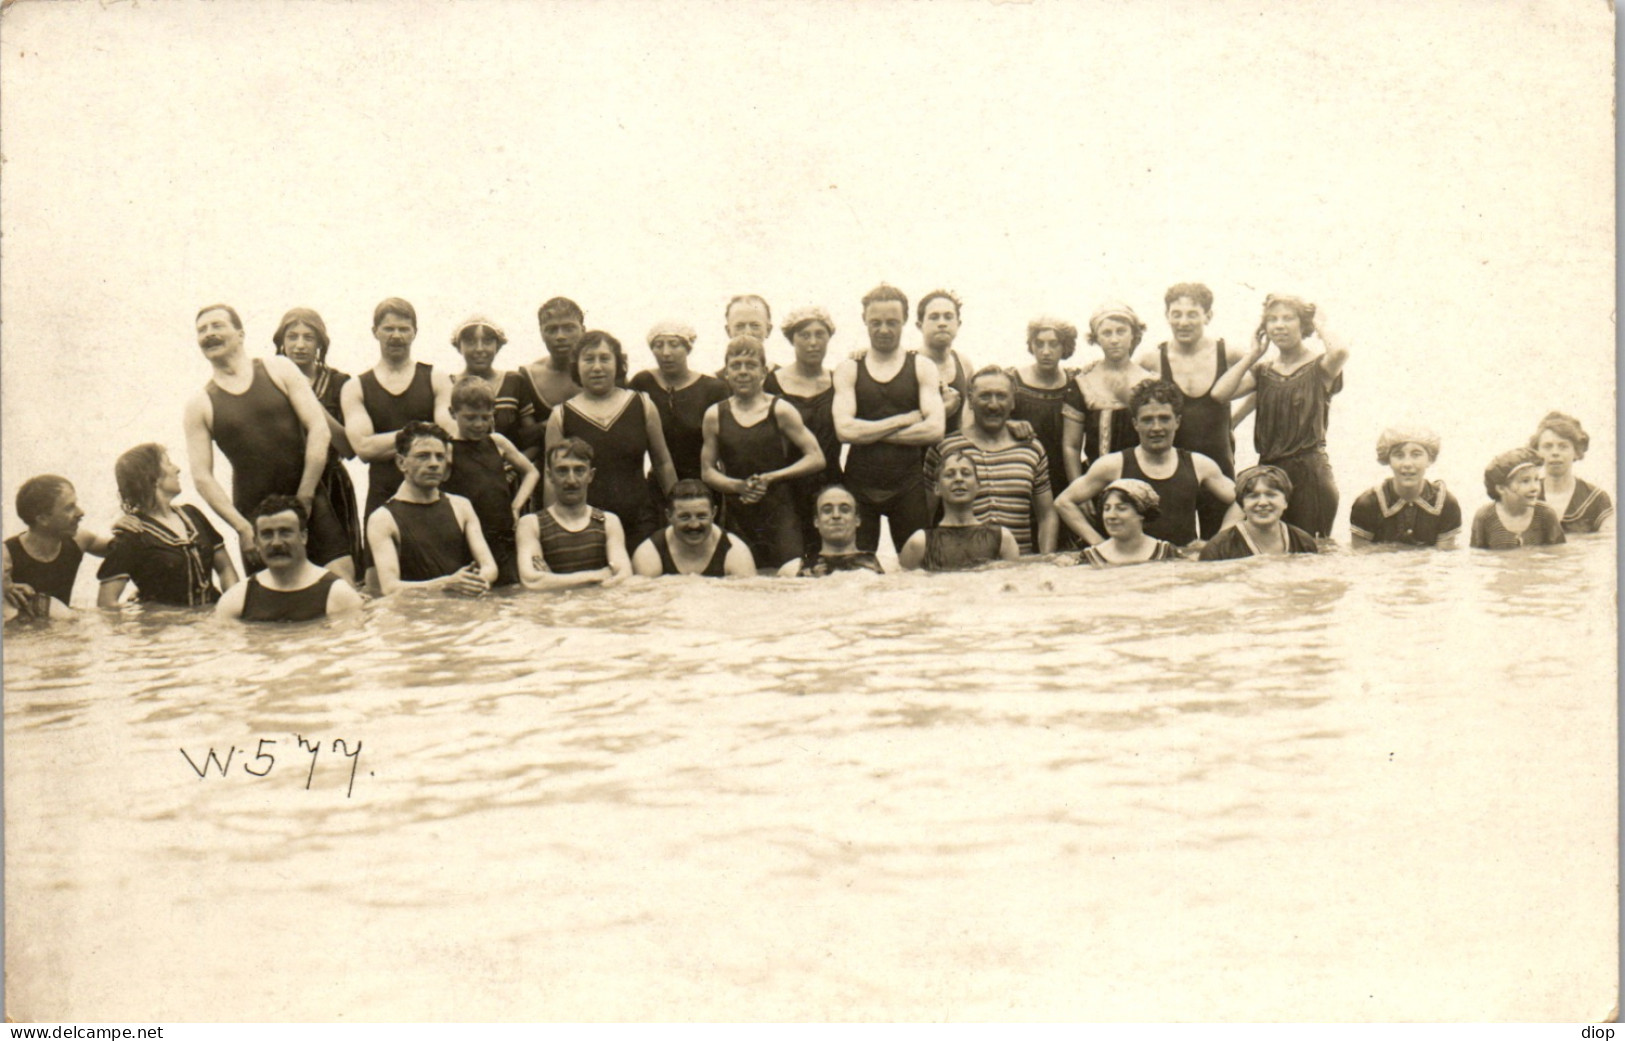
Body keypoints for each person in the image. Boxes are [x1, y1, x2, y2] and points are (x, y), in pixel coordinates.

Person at [183, 304, 352, 579]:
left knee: (343, 583)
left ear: (240, 334)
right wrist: (242, 527)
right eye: (202, 330)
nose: (209, 334)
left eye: (217, 326)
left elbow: (318, 430)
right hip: (255, 518)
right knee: (274, 607)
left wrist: (306, 498)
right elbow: (202, 477)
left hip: (308, 499)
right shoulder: (199, 404)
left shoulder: (278, 368)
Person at [1210, 294, 1349, 537]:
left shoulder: (1320, 368)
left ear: (1303, 324)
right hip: (1269, 470)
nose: (1279, 325)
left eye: (1288, 318)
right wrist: (1253, 355)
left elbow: (1339, 351)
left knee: (1309, 552)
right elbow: (1220, 394)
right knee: (1265, 548)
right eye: (1272, 320)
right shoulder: (1263, 371)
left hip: (1309, 473)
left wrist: (1319, 323)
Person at [1055, 380, 1235, 550]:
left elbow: (1244, 498)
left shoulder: (1199, 464)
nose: (1156, 427)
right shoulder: (1114, 464)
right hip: (1131, 568)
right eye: (1148, 420)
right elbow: (1064, 502)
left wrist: (1217, 541)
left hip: (1179, 567)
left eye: (1164, 418)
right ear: (1135, 424)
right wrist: (1100, 545)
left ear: (1177, 422)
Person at [832, 284, 945, 552]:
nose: (884, 330)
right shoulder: (849, 368)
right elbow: (844, 431)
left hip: (908, 484)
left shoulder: (922, 366)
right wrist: (903, 420)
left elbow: (934, 430)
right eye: (876, 322)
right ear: (864, 321)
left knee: (918, 570)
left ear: (905, 320)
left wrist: (871, 434)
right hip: (860, 484)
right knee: (856, 570)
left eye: (892, 322)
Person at [543, 331, 678, 553]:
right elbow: (551, 479)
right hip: (585, 527)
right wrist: (551, 531)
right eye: (589, 359)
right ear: (576, 366)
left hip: (640, 520)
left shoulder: (642, 404)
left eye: (605, 358)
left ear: (618, 364)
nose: (597, 367)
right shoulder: (561, 415)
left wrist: (676, 509)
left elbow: (663, 463)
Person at [701, 335, 826, 569]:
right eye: (735, 366)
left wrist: (771, 477)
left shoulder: (780, 410)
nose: (743, 372)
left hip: (780, 512)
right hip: (737, 514)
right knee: (739, 585)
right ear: (726, 372)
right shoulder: (715, 415)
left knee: (789, 580)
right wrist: (738, 486)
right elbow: (707, 471)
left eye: (751, 365)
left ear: (764, 372)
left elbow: (816, 457)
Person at [1134, 284, 1250, 533]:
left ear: (1208, 316)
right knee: (1173, 549)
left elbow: (1265, 382)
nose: (1183, 322)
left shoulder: (1228, 353)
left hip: (1219, 465)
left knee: (1220, 549)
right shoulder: (1151, 359)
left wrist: (1235, 420)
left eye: (1192, 314)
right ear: (1167, 316)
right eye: (1176, 314)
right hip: (1172, 471)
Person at [340, 298, 456, 539]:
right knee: (378, 575)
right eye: (389, 328)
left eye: (404, 329)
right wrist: (423, 430)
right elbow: (364, 448)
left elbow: (448, 437)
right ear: (375, 332)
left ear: (415, 332)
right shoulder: (356, 387)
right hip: (382, 496)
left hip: (432, 496)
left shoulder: (436, 377)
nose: (396, 336)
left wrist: (388, 442)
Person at [922, 366, 1056, 555]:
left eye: (1001, 396)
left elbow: (1047, 515)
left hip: (1018, 567)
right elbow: (925, 514)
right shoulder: (944, 448)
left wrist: (1045, 559)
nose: (993, 405)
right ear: (970, 400)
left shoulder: (1031, 449)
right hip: (962, 565)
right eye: (985, 396)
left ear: (1013, 402)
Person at [272, 307, 364, 574]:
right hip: (286, 483)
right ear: (282, 342)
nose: (300, 345)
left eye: (308, 338)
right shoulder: (270, 380)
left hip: (330, 483)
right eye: (292, 337)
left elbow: (349, 448)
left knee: (339, 568)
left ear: (320, 344)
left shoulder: (339, 383)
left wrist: (312, 406)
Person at [97, 444, 240, 606]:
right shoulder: (132, 534)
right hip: (167, 629)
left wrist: (233, 608)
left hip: (211, 623)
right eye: (169, 463)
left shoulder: (193, 514)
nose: (177, 469)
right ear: (152, 476)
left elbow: (225, 569)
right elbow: (106, 604)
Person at [365, 422, 497, 596]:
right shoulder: (382, 519)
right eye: (423, 456)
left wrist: (476, 581)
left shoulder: (461, 506)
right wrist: (446, 584)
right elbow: (391, 588)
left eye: (440, 457)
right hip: (417, 616)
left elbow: (489, 566)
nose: (434, 464)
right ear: (401, 462)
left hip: (462, 606)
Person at [439, 377, 541, 587]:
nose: (479, 424)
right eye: (470, 417)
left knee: (509, 592)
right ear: (452, 413)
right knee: (474, 593)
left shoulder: (497, 442)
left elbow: (531, 472)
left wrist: (515, 506)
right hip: (466, 539)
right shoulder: (447, 449)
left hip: (502, 534)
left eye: (485, 417)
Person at [765, 306, 844, 551]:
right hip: (786, 488)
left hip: (832, 483)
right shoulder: (772, 382)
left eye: (820, 334)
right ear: (791, 339)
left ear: (829, 338)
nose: (813, 342)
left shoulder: (840, 379)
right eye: (804, 335)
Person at [215, 496, 364, 621]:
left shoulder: (339, 595)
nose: (276, 543)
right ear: (256, 542)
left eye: (285, 532)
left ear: (303, 536)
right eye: (267, 534)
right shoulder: (236, 600)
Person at [516, 438, 633, 590]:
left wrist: (553, 581)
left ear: (590, 475)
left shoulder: (607, 521)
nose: (571, 480)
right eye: (562, 471)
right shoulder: (531, 524)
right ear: (550, 475)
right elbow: (532, 581)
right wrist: (597, 575)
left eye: (579, 470)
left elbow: (623, 577)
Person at [1063, 303, 1156, 481]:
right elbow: (1071, 446)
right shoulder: (1083, 383)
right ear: (1096, 338)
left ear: (1134, 334)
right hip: (1096, 484)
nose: (1114, 339)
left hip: (1143, 482)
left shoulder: (1151, 383)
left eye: (1121, 331)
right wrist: (1079, 491)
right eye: (1107, 333)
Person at [629, 321, 729, 484]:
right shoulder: (643, 382)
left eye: (674, 345)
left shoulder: (713, 388)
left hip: (704, 484)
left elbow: (727, 448)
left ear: (687, 348)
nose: (666, 352)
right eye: (658, 345)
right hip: (658, 484)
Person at [3, 476, 115, 619]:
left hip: (64, 632)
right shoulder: (7, 554)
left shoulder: (79, 540)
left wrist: (125, 527)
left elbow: (122, 550)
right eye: (69, 508)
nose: (80, 512)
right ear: (42, 519)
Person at [899, 451, 1019, 571]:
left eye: (966, 474)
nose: (958, 479)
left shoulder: (1002, 538)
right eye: (950, 475)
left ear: (978, 485)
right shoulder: (920, 543)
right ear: (937, 488)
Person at [1009, 316, 1081, 516]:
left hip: (1063, 472)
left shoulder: (1075, 383)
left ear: (1064, 347)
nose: (1046, 351)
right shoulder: (1013, 381)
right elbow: (988, 419)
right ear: (1031, 346)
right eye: (1039, 344)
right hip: (1023, 472)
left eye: (1053, 344)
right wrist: (1009, 424)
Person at [1348, 426, 1462, 549]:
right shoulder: (1368, 503)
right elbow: (1359, 559)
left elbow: (1445, 560)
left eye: (1416, 455)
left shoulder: (1445, 503)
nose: (1407, 464)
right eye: (1399, 455)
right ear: (1388, 460)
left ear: (1430, 460)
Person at [449, 314, 543, 455]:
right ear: (458, 346)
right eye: (471, 342)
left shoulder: (514, 381)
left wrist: (514, 467)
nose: (479, 349)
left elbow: (532, 439)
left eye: (487, 342)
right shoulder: (448, 384)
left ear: (497, 346)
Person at [632, 480, 756, 577]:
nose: (694, 525)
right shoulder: (649, 553)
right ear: (669, 516)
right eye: (684, 517)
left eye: (701, 516)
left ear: (713, 513)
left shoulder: (735, 551)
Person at [1199, 465, 1320, 560]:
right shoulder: (1217, 549)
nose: (1262, 502)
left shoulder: (1304, 543)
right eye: (1253, 496)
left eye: (1271, 495)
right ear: (1242, 505)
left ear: (1285, 502)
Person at [777, 485, 888, 577]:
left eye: (845, 510)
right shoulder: (792, 569)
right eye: (827, 510)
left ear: (857, 520)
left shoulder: (884, 565)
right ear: (816, 521)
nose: (836, 515)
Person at [1530, 411, 1613, 534]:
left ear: (1576, 451)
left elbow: (1608, 545)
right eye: (1547, 446)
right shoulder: (1525, 497)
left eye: (1563, 446)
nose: (1555, 453)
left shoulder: (1596, 499)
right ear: (1537, 452)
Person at [1470, 448, 1566, 550]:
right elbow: (1478, 558)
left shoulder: (1546, 514)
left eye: (1536, 479)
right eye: (1525, 481)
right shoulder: (1485, 517)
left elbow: (1558, 556)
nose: (1535, 488)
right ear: (1501, 488)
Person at [1076, 479, 1180, 568]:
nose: (1111, 516)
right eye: (1106, 509)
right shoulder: (1089, 558)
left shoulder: (1167, 553)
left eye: (1121, 509)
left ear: (1142, 514)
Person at [916, 290, 973, 434]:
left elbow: (973, 414)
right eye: (934, 317)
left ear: (958, 324)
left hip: (952, 453)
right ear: (919, 325)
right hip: (913, 452)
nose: (942, 323)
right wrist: (943, 410)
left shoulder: (964, 364)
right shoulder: (907, 363)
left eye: (948, 317)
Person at [523, 296, 586, 421]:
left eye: (569, 328)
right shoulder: (527, 378)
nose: (560, 336)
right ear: (541, 333)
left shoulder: (604, 373)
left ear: (583, 330)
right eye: (552, 330)